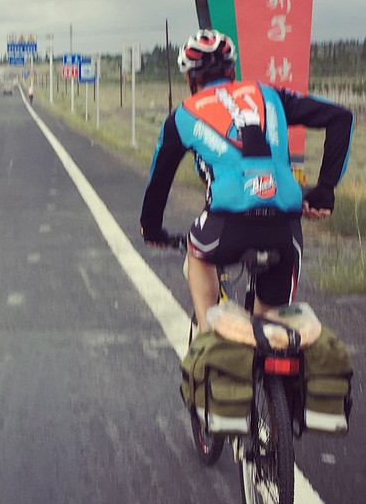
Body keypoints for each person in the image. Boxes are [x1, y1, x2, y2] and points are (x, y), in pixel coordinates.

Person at [140, 29, 353, 330]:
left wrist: (152, 230)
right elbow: (341, 117)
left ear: (190, 79)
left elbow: (158, 182)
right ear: (231, 69)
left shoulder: (181, 117)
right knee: (273, 329)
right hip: (284, 227)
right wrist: (324, 190)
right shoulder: (270, 95)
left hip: (226, 226)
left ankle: (207, 336)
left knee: (197, 250)